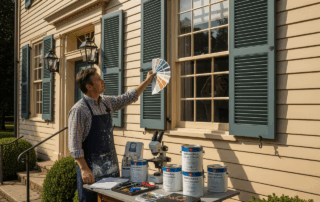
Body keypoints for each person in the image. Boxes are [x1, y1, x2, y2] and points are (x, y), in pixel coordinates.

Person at [68, 67, 156, 202]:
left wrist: (147, 81)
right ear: (89, 86)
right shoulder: (79, 110)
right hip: (91, 173)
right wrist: (84, 169)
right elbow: (74, 145)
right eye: (98, 79)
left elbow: (128, 97)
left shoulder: (106, 102)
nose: (103, 81)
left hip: (111, 170)